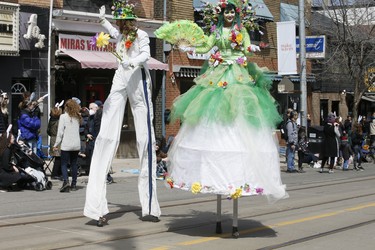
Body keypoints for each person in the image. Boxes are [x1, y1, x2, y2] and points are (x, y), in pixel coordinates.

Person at [155, 1, 288, 201]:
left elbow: (244, 47)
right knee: (213, 111)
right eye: (226, 11)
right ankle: (213, 173)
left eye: (232, 11)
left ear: (236, 13)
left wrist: (253, 46)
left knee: (239, 110)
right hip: (218, 73)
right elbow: (207, 45)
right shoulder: (217, 31)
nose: (229, 15)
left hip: (238, 73)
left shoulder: (240, 30)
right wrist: (188, 45)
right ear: (221, 13)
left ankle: (240, 174)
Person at [84, 2, 161, 226]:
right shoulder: (121, 35)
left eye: (122, 22)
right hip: (121, 75)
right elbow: (114, 34)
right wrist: (102, 21)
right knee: (106, 133)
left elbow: (145, 55)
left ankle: (150, 206)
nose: (120, 26)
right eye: (119, 22)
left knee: (145, 139)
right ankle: (96, 207)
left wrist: (132, 61)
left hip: (137, 78)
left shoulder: (142, 35)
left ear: (130, 22)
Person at [53, 99, 82, 192]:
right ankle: (74, 183)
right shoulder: (78, 117)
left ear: (66, 107)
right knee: (74, 164)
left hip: (67, 144)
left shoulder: (63, 117)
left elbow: (60, 132)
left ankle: (66, 181)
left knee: (64, 164)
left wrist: (56, 144)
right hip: (76, 144)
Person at [47, 103, 63, 180]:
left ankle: (58, 173)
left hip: (53, 139)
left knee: (58, 157)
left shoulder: (51, 120)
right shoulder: (59, 120)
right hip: (58, 140)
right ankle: (55, 173)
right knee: (58, 158)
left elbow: (48, 131)